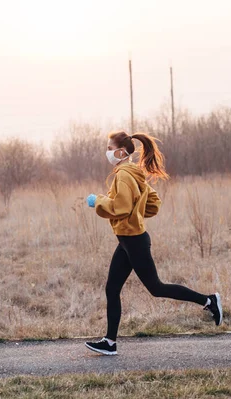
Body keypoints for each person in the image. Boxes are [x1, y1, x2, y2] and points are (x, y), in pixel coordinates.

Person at [84, 130, 222, 356]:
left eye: (109, 149)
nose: (107, 153)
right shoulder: (134, 173)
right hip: (127, 240)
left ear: (120, 151)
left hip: (134, 241)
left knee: (156, 288)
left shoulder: (124, 175)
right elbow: (153, 203)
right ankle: (110, 342)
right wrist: (136, 214)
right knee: (112, 288)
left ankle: (209, 300)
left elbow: (121, 207)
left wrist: (97, 201)